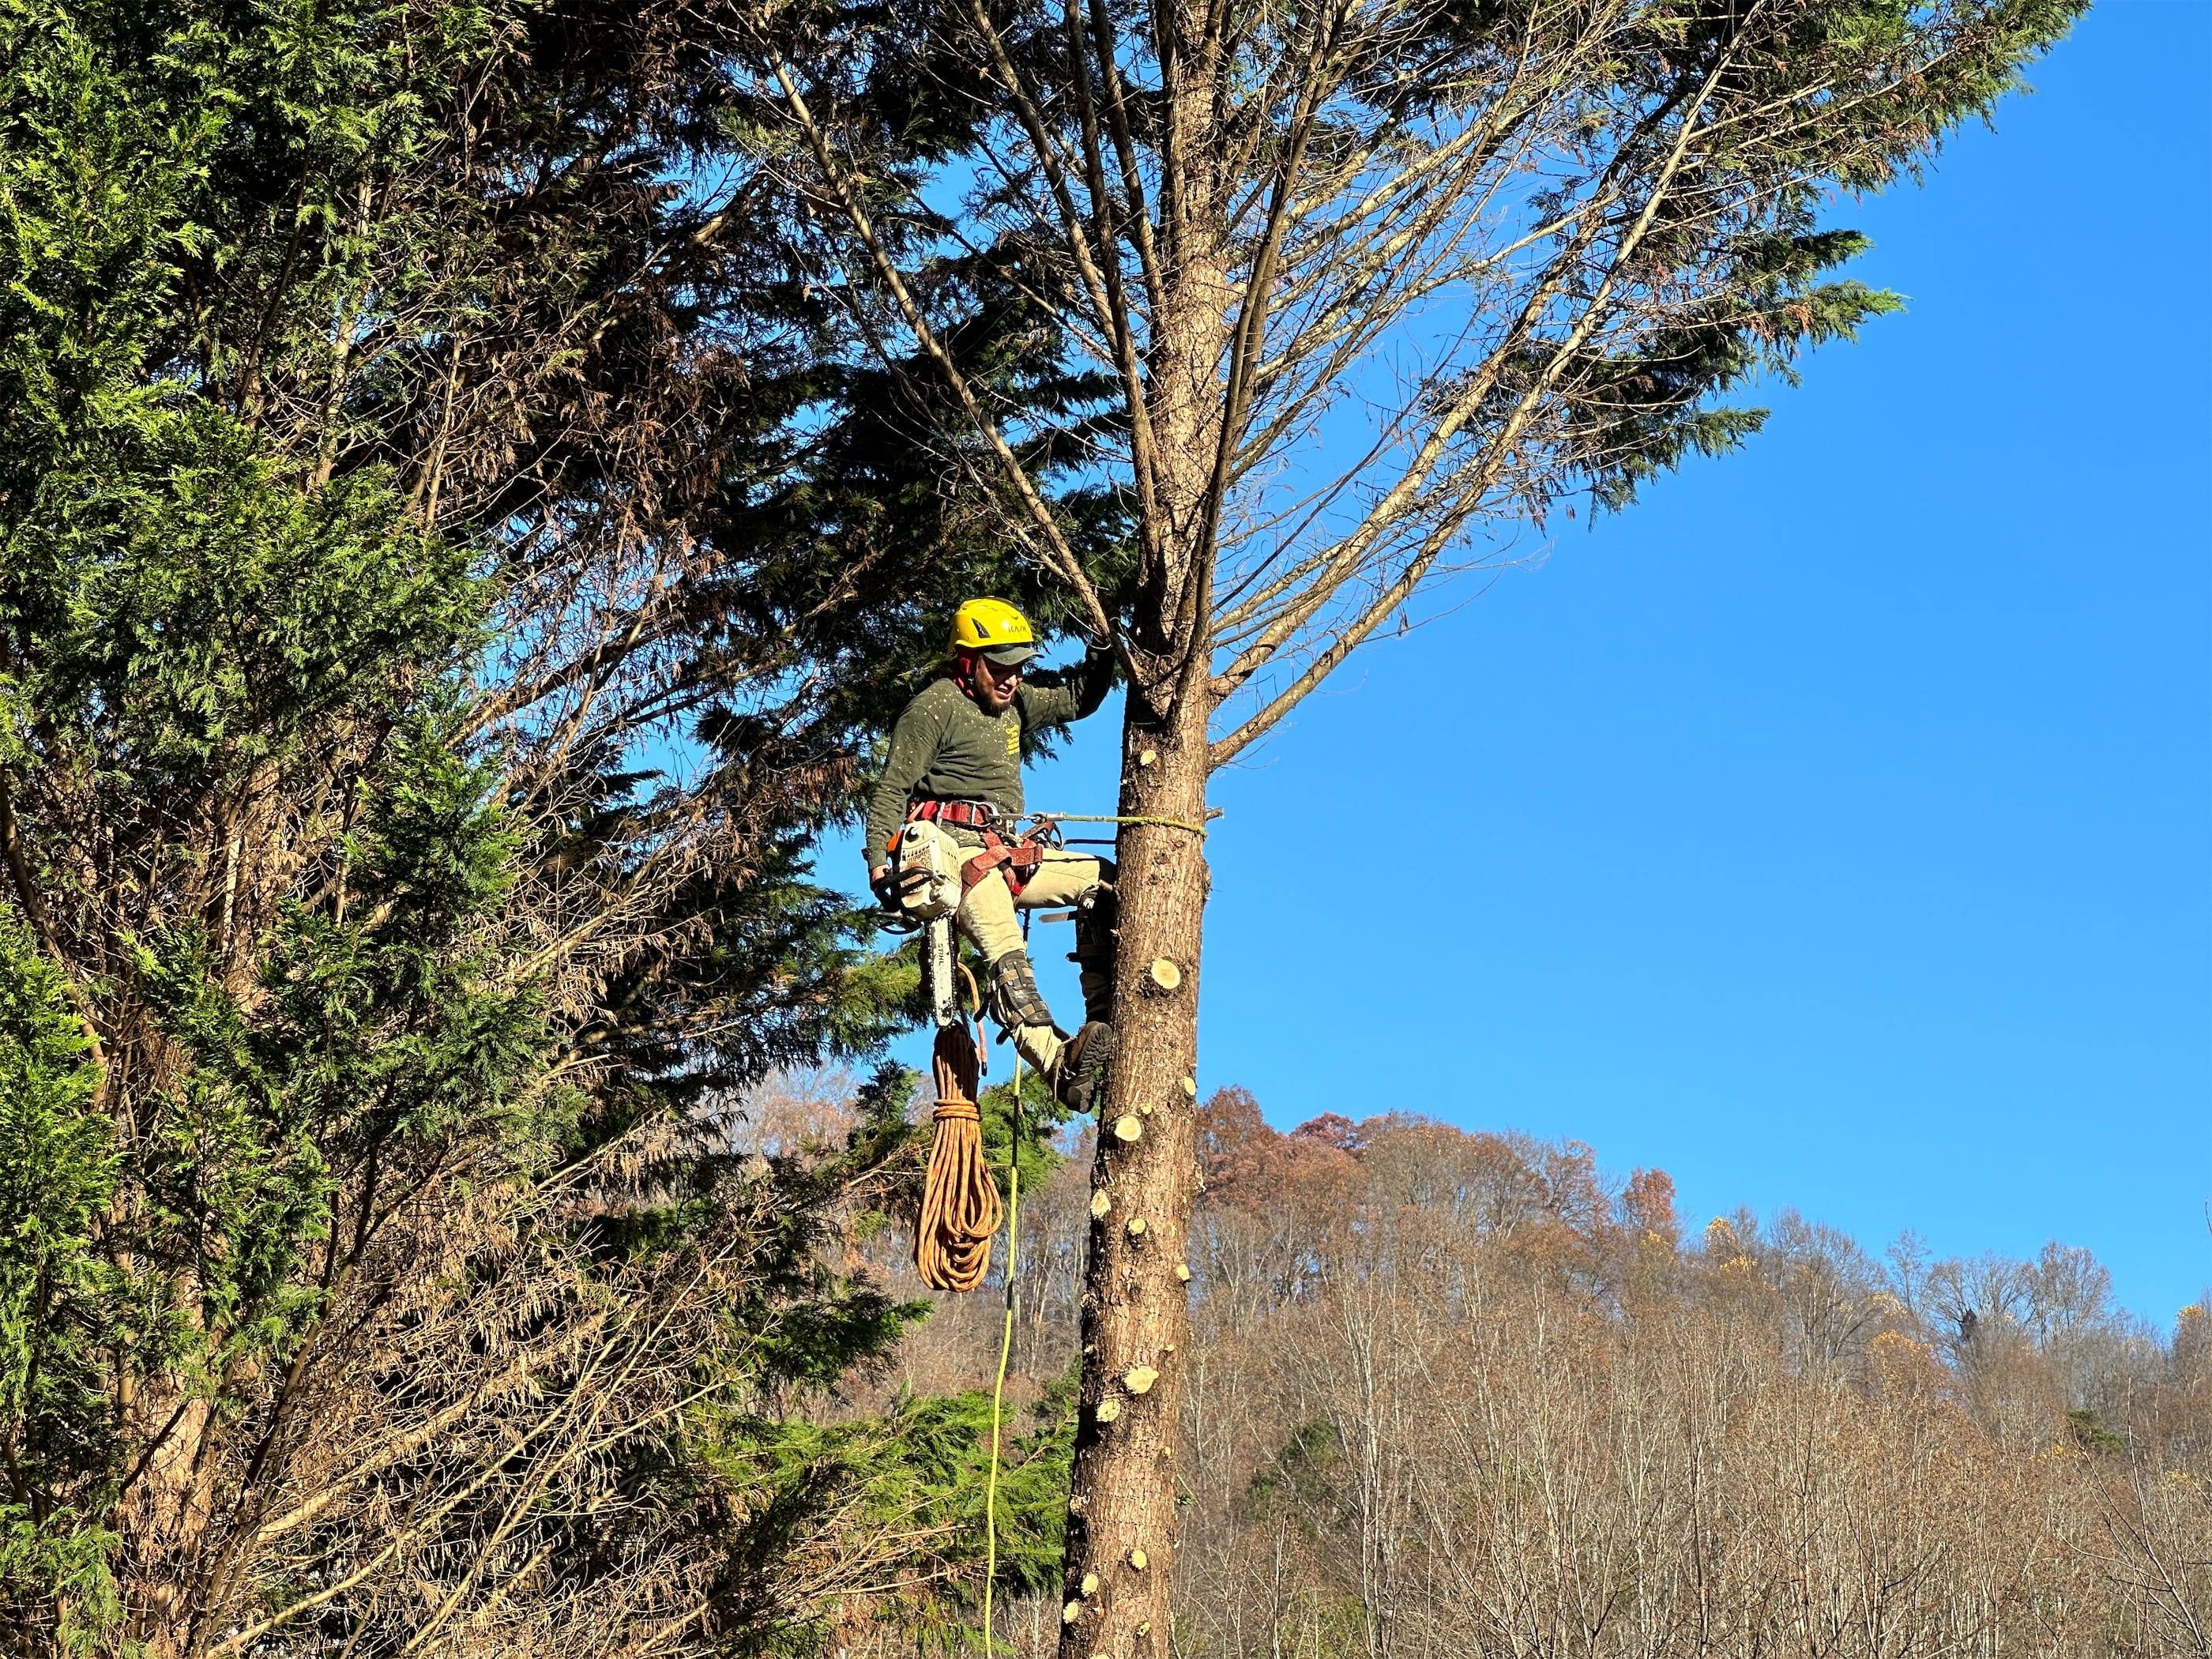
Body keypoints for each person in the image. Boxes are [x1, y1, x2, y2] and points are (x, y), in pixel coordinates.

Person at [865, 598, 1118, 1110]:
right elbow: (892, 789)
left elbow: (1078, 699)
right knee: (1007, 954)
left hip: (1008, 853)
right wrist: (879, 864)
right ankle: (1060, 1064)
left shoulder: (1018, 701)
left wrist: (1104, 646)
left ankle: (1106, 1014)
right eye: (999, 667)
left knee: (1105, 882)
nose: (1010, 679)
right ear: (966, 661)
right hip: (957, 859)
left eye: (1018, 667)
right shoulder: (935, 707)